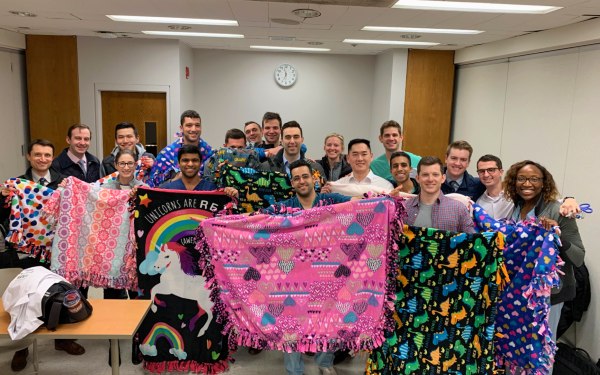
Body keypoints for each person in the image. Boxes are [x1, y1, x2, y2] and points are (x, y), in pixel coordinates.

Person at [265, 159, 353, 375]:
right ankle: (294, 370)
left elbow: (358, 204)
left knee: (332, 319)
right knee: (290, 325)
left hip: (328, 274)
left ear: (314, 178)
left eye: (305, 176)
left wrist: (385, 199)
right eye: (296, 178)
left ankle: (324, 362)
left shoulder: (330, 201)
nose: (301, 181)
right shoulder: (284, 207)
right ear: (291, 183)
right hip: (294, 278)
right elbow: (258, 219)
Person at [1, 140, 82, 370]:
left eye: (47, 155)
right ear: (29, 156)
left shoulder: (63, 181)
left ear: (52, 157)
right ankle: (22, 346)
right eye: (38, 154)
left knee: (60, 290)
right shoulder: (18, 183)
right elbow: (3, 215)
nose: (42, 159)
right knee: (27, 296)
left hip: (59, 247)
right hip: (30, 248)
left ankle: (61, 339)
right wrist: (3, 197)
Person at [503, 160, 585, 373]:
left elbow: (578, 256)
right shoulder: (517, 207)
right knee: (520, 348)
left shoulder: (559, 210)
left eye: (534, 179)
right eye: (521, 178)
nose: (526, 183)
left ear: (543, 183)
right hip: (519, 293)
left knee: (540, 352)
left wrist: (557, 236)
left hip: (548, 296)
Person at [476, 154, 581, 220]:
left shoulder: (514, 196)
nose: (486, 175)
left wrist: (569, 200)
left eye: (491, 170)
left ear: (500, 172)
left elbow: (548, 202)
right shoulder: (479, 203)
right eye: (481, 171)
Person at [405, 156, 475, 233]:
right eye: (425, 175)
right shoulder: (404, 208)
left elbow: (472, 241)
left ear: (443, 178)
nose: (430, 179)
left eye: (435, 174)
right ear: (418, 178)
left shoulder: (459, 209)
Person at [148, 110, 213, 187]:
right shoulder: (167, 154)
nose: (194, 129)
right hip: (172, 197)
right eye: (189, 125)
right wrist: (174, 179)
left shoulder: (209, 153)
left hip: (202, 197)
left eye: (197, 125)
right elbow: (153, 183)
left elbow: (215, 182)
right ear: (181, 128)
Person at [260, 121, 325, 179]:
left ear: (302, 140)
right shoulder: (266, 168)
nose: (292, 141)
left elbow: (323, 192)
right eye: (288, 137)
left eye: (296, 137)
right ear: (282, 141)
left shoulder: (315, 168)